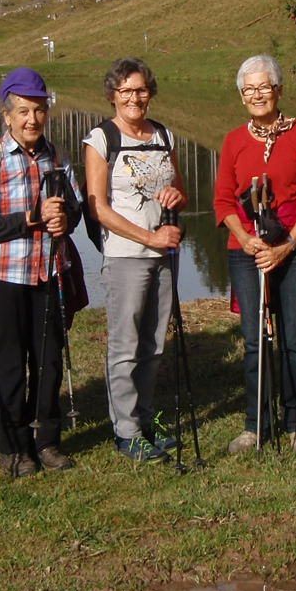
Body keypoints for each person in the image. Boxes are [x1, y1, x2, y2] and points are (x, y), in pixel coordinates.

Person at [0, 67, 82, 477]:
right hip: (3, 279)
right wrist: (29, 219)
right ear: (7, 116)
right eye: (23, 112)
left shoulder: (58, 155)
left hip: (49, 275)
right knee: (9, 365)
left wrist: (67, 220)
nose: (32, 119)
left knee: (49, 362)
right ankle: (13, 447)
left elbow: (76, 208)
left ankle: (46, 441)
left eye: (39, 110)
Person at [214, 54, 296, 456]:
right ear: (241, 96)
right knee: (255, 341)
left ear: (279, 90)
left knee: (294, 339)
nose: (257, 95)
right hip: (247, 252)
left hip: (295, 249)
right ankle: (256, 423)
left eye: (264, 87)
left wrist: (286, 246)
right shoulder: (233, 140)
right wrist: (246, 240)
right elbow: (223, 201)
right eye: (249, 90)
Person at [83, 58, 186, 463]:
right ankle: (125, 431)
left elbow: (179, 187)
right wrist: (149, 237)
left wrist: (177, 197)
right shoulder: (100, 138)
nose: (134, 98)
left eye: (141, 90)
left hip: (165, 255)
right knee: (125, 345)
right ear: (113, 95)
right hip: (126, 256)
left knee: (154, 342)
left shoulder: (163, 134)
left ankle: (146, 417)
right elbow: (99, 209)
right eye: (126, 91)